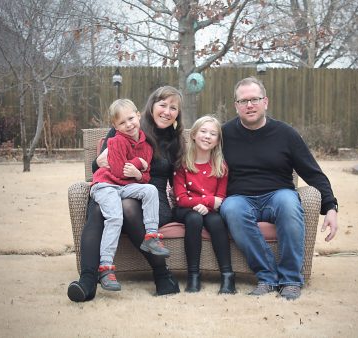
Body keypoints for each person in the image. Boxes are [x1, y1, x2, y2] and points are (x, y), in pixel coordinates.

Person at [219, 77, 338, 300]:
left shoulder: (286, 134)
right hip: (240, 198)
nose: (249, 105)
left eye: (254, 99)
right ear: (236, 106)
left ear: (266, 102)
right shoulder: (224, 135)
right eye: (243, 101)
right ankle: (267, 277)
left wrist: (330, 207)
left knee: (288, 203)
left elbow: (313, 173)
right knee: (231, 208)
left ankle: (291, 280)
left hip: (278, 194)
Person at [68, 86, 185, 302]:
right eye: (162, 105)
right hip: (117, 186)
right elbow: (101, 167)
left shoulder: (176, 141)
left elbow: (179, 180)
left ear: (178, 113)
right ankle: (87, 280)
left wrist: (184, 206)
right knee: (98, 204)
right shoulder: (126, 127)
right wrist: (96, 162)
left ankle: (161, 273)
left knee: (126, 205)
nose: (167, 111)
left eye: (173, 108)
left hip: (152, 197)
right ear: (150, 107)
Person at [89, 99, 170, 292]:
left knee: (149, 189)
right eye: (122, 123)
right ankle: (106, 268)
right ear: (115, 127)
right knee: (115, 217)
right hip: (106, 185)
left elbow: (146, 177)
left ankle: (151, 237)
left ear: (139, 116)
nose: (128, 125)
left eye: (131, 118)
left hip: (125, 186)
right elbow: (118, 171)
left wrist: (140, 172)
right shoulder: (115, 141)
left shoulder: (147, 145)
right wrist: (138, 162)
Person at [173, 115, 236, 294]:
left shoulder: (220, 166)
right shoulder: (183, 163)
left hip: (209, 211)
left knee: (216, 222)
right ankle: (193, 275)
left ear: (217, 141)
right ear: (193, 134)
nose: (207, 136)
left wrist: (207, 206)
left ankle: (228, 275)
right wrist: (206, 202)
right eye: (203, 131)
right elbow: (181, 198)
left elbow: (220, 199)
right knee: (194, 219)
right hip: (185, 209)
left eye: (213, 134)